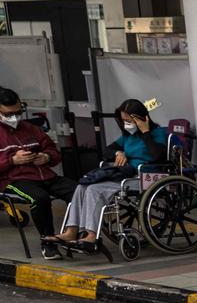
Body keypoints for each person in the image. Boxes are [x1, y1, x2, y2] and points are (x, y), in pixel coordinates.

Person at [44, 99, 168, 252]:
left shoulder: (158, 133)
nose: (126, 124)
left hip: (146, 177)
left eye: (130, 121)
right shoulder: (128, 137)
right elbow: (107, 150)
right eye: (124, 121)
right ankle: (71, 231)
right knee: (82, 186)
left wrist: (145, 132)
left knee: (94, 190)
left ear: (143, 118)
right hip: (126, 175)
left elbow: (158, 156)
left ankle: (91, 235)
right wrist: (118, 152)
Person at [0, 87, 76, 259]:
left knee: (79, 191)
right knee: (39, 198)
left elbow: (54, 152)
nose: (14, 117)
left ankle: (73, 234)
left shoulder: (31, 129)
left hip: (45, 175)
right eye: (8, 114)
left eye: (18, 112)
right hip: (13, 180)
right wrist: (12, 161)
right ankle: (47, 242)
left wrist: (46, 156)